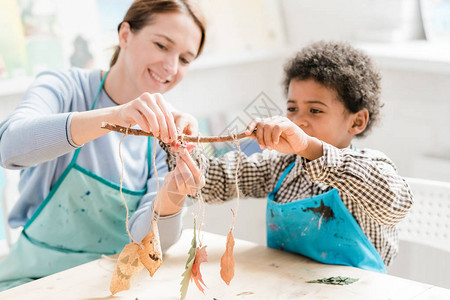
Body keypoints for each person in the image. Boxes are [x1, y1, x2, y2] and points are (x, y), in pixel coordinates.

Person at [0, 0, 206, 291]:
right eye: (162, 45)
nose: (171, 67)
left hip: (112, 285)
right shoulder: (66, 87)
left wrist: (173, 193)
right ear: (124, 35)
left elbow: (144, 238)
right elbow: (9, 147)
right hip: (33, 281)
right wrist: (115, 115)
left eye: (185, 59)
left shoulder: (168, 129)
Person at [162, 41, 413, 273]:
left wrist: (309, 147)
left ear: (357, 121)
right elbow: (208, 184)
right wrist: (180, 144)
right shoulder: (281, 165)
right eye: (292, 108)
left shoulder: (368, 166)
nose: (298, 120)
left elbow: (396, 203)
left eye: (315, 110)